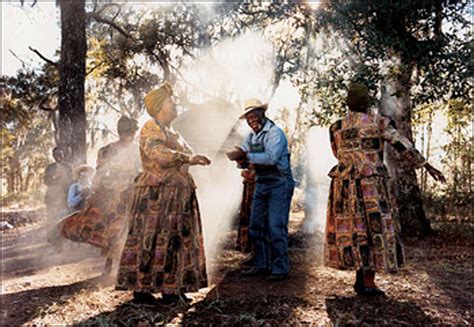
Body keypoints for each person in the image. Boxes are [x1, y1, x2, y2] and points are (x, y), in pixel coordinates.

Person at [325, 83, 445, 295]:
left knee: (355, 230)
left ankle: (360, 278)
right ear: (368, 102)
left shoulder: (336, 127)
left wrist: (353, 162)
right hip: (371, 185)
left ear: (348, 103)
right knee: (374, 230)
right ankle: (368, 282)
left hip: (344, 185)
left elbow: (336, 153)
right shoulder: (378, 122)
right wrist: (426, 165)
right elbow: (402, 144)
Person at [115, 82, 211, 304]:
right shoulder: (150, 127)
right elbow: (158, 154)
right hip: (156, 195)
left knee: (175, 240)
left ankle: (171, 288)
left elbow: (185, 153)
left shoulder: (174, 132)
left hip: (177, 195)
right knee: (153, 238)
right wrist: (187, 158)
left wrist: (194, 158)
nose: (175, 105)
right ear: (158, 108)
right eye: (170, 102)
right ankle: (142, 288)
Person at [59, 116, 140, 275]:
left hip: (133, 192)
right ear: (121, 132)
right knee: (111, 228)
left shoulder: (138, 150)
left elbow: (142, 169)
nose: (128, 136)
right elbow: (100, 172)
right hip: (112, 195)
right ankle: (109, 264)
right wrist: (93, 192)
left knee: (130, 228)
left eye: (131, 133)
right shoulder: (107, 150)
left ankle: (125, 265)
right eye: (126, 133)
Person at [227, 98, 295, 280]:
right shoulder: (251, 136)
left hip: (279, 182)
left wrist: (245, 156)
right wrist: (237, 158)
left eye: (253, 115)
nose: (251, 120)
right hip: (262, 182)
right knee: (256, 225)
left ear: (262, 114)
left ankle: (280, 268)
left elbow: (271, 158)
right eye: (248, 118)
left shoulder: (275, 133)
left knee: (275, 226)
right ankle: (262, 264)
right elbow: (245, 156)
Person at [43, 147, 73, 248]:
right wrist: (55, 178)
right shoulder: (50, 168)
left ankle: (63, 240)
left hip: (64, 197)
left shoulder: (68, 166)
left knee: (63, 218)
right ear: (53, 156)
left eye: (60, 154)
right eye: (56, 155)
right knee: (51, 219)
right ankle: (53, 242)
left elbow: (71, 181)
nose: (58, 157)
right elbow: (46, 181)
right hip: (52, 198)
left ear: (63, 155)